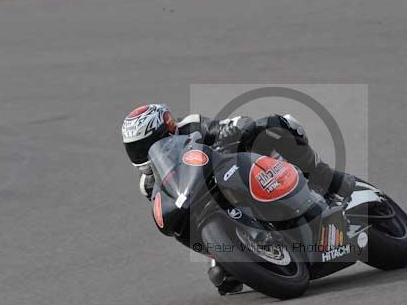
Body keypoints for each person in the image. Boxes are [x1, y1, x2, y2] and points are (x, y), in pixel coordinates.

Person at [121, 104, 356, 294]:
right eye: (138, 148)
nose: (145, 150)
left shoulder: (190, 125)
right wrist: (219, 250)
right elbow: (178, 218)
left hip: (233, 169)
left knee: (277, 126)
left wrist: (229, 129)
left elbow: (226, 126)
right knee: (223, 280)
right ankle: (228, 253)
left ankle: (325, 178)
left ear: (168, 129)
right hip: (210, 208)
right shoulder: (149, 185)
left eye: (149, 142)